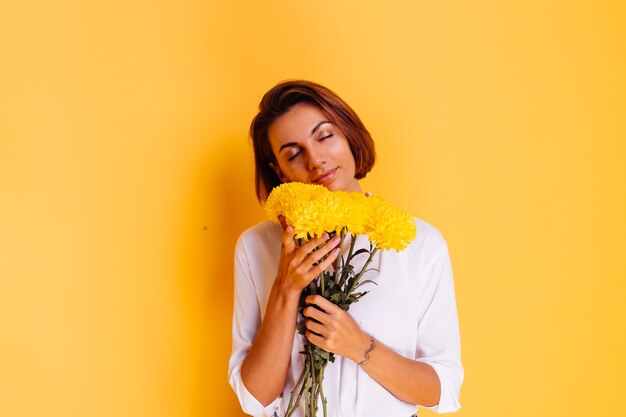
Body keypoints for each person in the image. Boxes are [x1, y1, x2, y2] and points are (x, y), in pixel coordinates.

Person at [228, 80, 463, 417]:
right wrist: (286, 286)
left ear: (349, 136)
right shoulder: (256, 247)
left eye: (325, 136)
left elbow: (442, 389)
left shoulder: (420, 244)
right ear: (278, 171)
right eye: (293, 153)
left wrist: (359, 346)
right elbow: (255, 400)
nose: (316, 160)